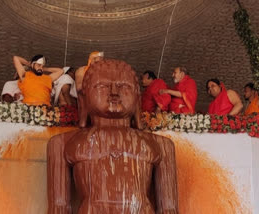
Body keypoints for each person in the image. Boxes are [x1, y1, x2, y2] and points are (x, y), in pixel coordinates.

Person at [47, 59, 178, 214]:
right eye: (103, 86)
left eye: (124, 86)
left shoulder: (161, 145)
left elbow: (169, 209)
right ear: (84, 97)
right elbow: (59, 207)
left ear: (137, 99)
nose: (114, 93)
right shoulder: (62, 143)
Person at [75, 51, 104, 127]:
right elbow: (79, 87)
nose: (101, 63)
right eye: (98, 60)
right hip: (87, 97)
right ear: (92, 60)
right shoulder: (82, 70)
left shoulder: (103, 71)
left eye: (102, 60)